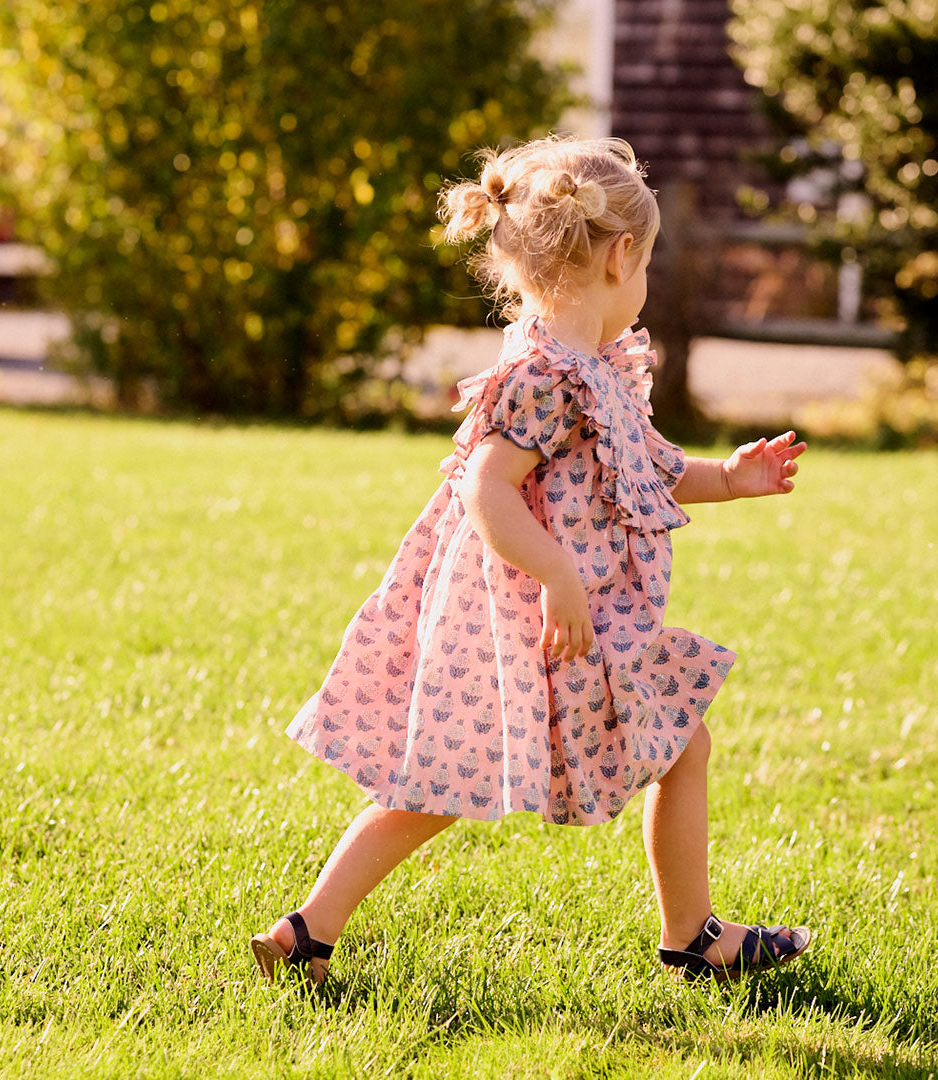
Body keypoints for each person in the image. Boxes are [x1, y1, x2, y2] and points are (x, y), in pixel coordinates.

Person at [251, 136, 811, 986]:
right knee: (647, 748)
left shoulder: (596, 370)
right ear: (622, 256)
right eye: (648, 262)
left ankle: (308, 930)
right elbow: (486, 489)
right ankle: (694, 940)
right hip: (543, 627)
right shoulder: (545, 374)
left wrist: (732, 479)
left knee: (642, 750)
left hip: (575, 619)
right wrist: (557, 576)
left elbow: (647, 471)